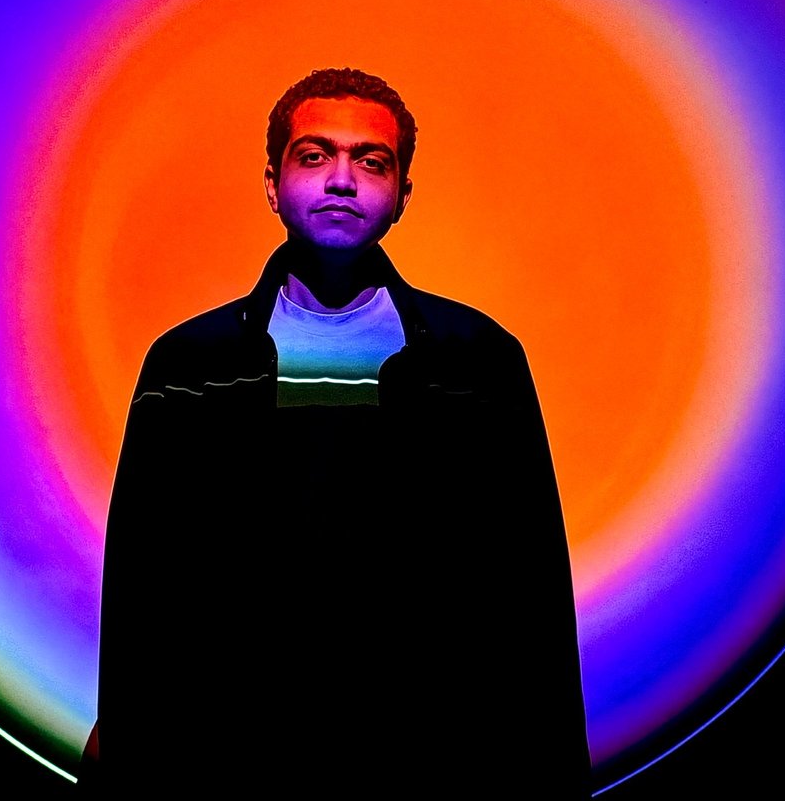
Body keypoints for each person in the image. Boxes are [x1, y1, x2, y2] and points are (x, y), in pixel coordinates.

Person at [88, 68, 590, 794]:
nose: (343, 180)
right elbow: (144, 573)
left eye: (372, 161)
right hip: (230, 761)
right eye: (315, 155)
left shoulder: (476, 362)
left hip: (427, 763)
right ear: (272, 184)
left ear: (403, 197)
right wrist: (129, 736)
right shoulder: (190, 363)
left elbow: (528, 581)